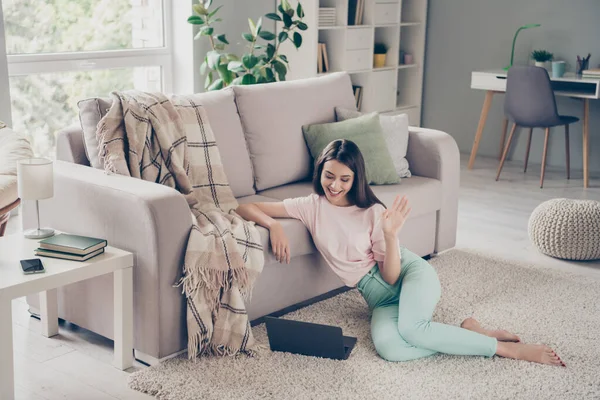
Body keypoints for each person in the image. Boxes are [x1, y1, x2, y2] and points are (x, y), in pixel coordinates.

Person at [235, 139, 565, 367]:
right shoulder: (310, 206)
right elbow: (244, 206)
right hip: (380, 300)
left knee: (412, 330)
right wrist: (274, 226)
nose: (335, 186)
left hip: (409, 274)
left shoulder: (371, 213)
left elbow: (391, 275)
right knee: (391, 349)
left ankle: (507, 351)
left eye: (345, 179)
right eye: (329, 176)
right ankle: (467, 333)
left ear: (356, 178)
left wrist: (391, 236)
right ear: (320, 171)